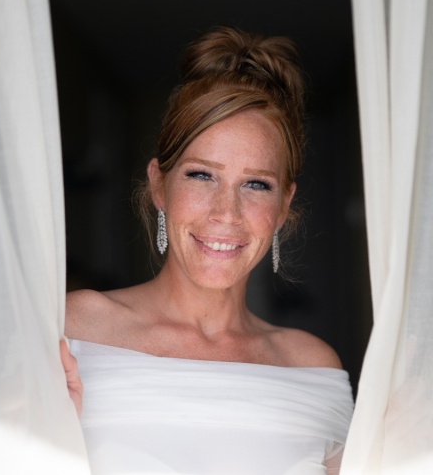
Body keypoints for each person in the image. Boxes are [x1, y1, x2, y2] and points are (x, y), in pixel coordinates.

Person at [61, 26, 354, 474]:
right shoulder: (77, 329)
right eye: (202, 175)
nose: (227, 213)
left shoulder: (312, 365)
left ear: (283, 206)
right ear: (160, 185)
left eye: (256, 184)